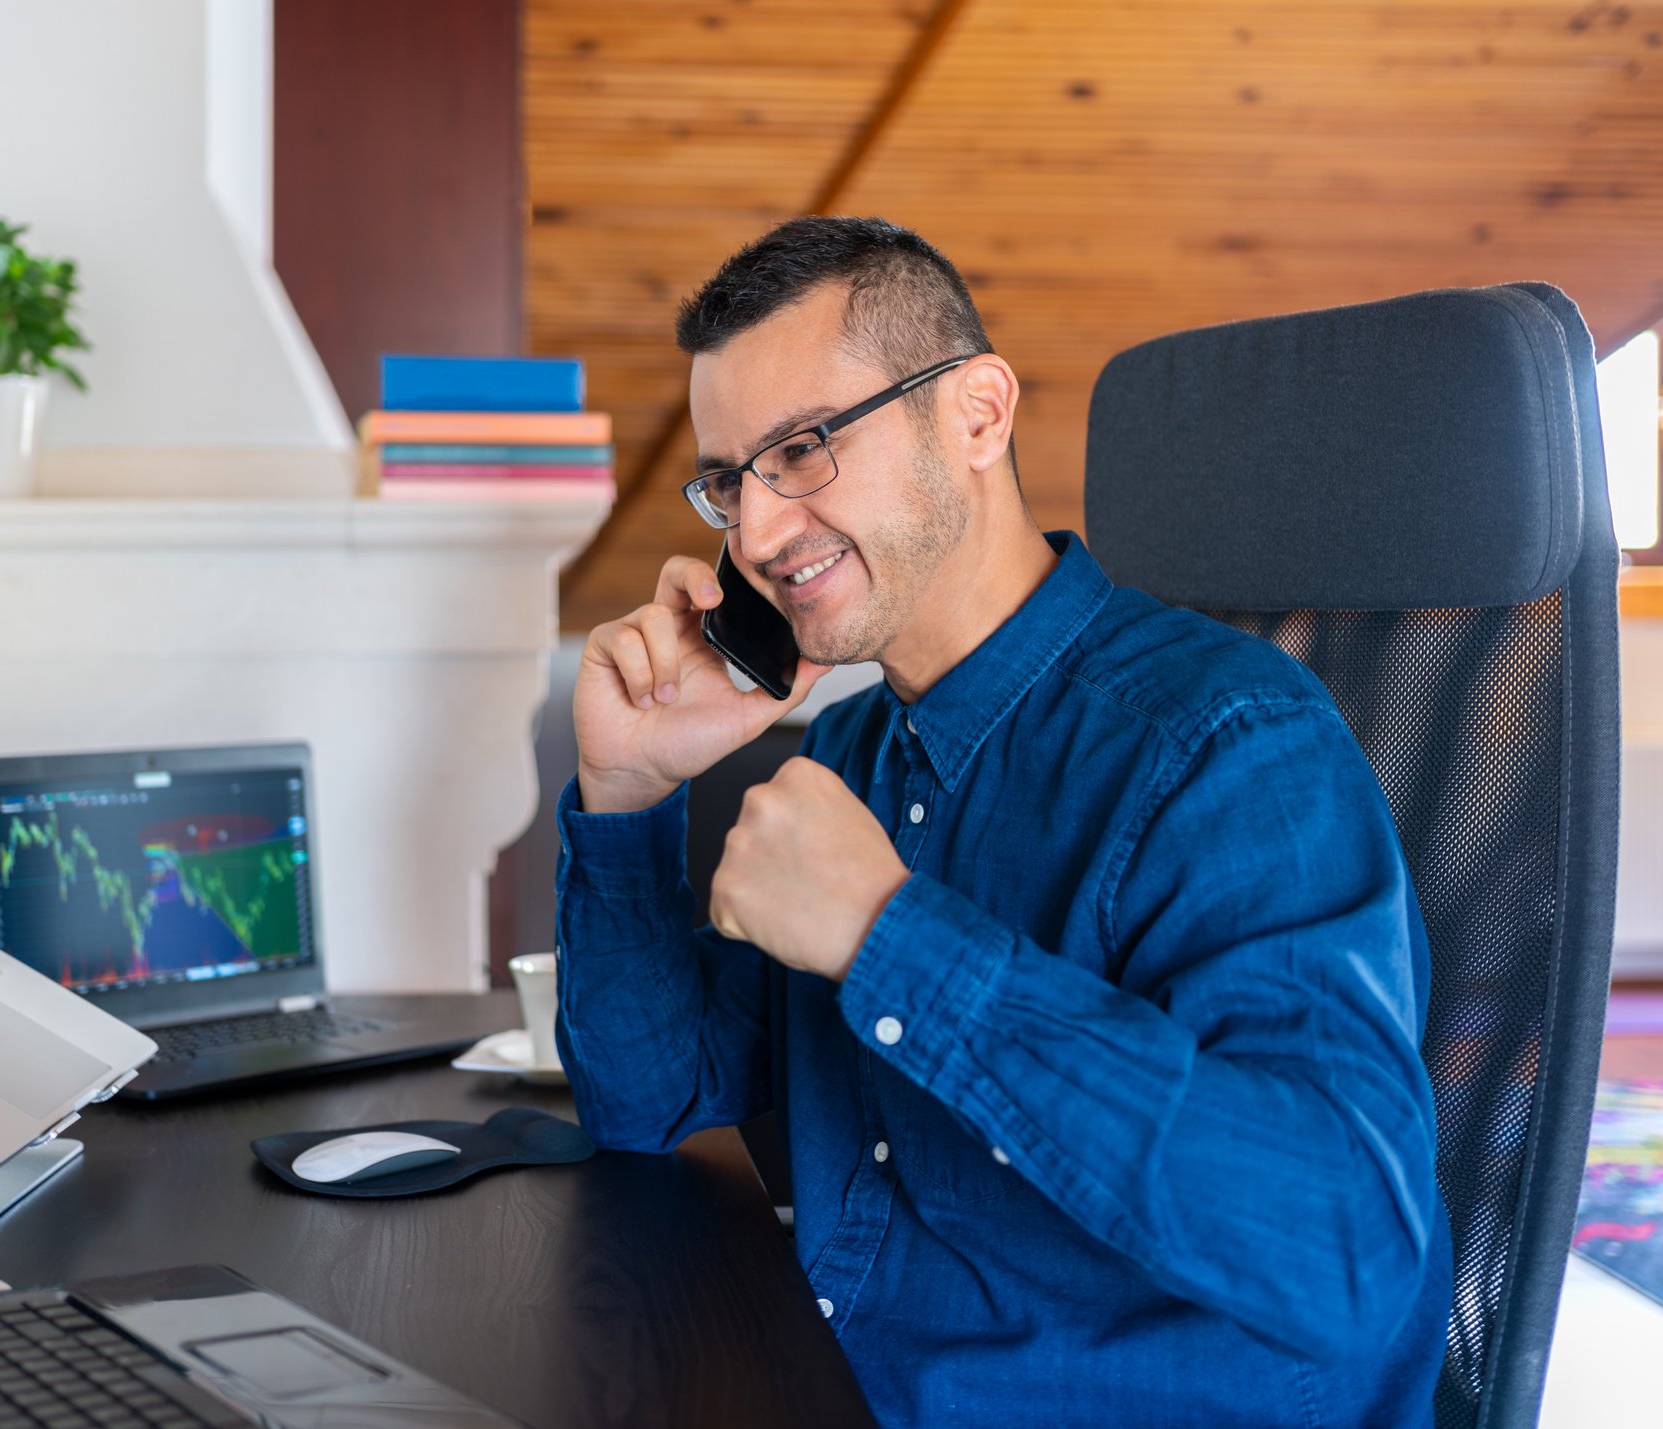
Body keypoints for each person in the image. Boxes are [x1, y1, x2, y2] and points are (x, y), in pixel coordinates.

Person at [553, 216, 1452, 1427]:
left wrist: (887, 935)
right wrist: (627, 790)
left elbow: (1346, 1256)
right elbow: (645, 1098)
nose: (757, 536)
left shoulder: (1230, 745)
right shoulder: (854, 754)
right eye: (730, 481)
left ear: (976, 415)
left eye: (805, 448)